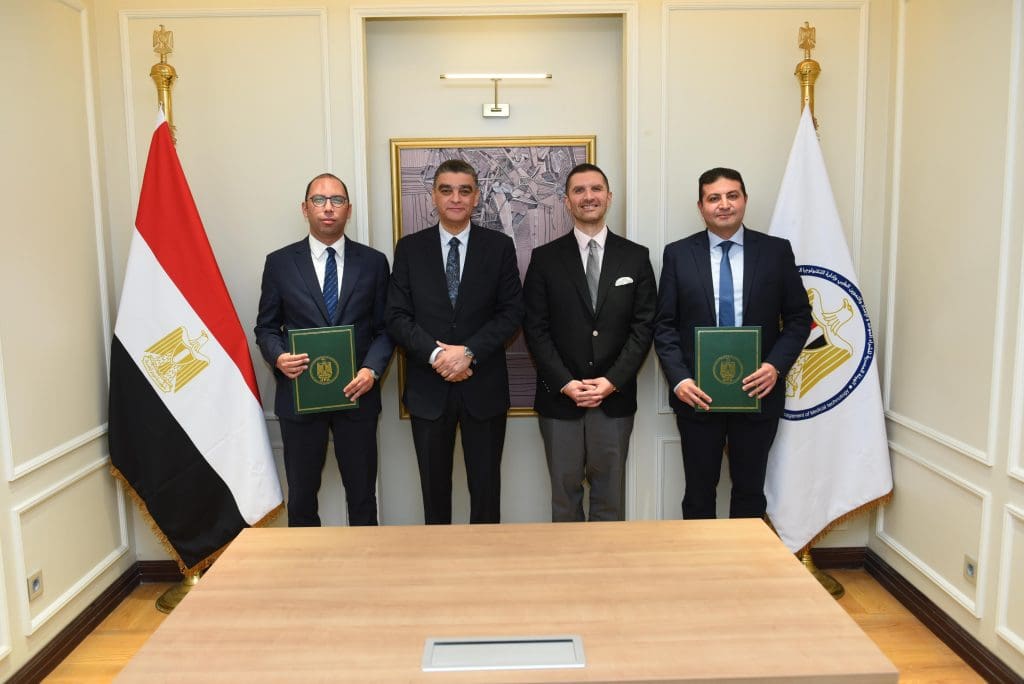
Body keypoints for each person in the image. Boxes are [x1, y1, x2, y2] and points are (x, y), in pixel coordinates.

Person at [654, 167, 810, 519]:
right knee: (698, 492)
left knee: (750, 492)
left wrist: (775, 367)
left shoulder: (775, 251)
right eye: (714, 198)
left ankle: (745, 556)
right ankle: (700, 556)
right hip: (697, 395)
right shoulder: (678, 254)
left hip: (757, 392)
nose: (724, 204)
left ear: (744, 200)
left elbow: (799, 318)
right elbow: (664, 326)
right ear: (701, 206)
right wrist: (679, 379)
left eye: (732, 196)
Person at [386, 159, 524, 524]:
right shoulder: (410, 249)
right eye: (446, 190)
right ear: (433, 196)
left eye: (464, 191)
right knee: (434, 497)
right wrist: (437, 355)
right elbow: (397, 316)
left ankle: (487, 559)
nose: (456, 198)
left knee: (486, 494)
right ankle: (437, 559)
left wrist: (469, 353)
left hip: (484, 389)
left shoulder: (499, 247)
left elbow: (512, 312)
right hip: (428, 391)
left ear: (476, 197)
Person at [255, 173, 394, 526]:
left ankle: (364, 560)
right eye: (319, 200)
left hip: (357, 396)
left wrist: (372, 370)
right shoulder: (280, 263)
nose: (328, 208)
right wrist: (279, 357)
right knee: (302, 497)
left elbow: (385, 329)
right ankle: (306, 561)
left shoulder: (374, 262)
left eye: (336, 200)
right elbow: (266, 328)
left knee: (362, 496)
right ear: (305, 209)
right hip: (300, 396)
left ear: (349, 209)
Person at [523, 163, 656, 521]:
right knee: (564, 501)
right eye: (579, 190)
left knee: (610, 501)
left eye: (596, 189)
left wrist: (611, 381)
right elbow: (535, 329)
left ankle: (607, 561)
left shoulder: (636, 256)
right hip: (560, 400)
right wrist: (566, 383)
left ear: (609, 197)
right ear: (567, 201)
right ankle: (568, 561)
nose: (588, 197)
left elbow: (643, 327)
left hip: (614, 399)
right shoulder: (545, 258)